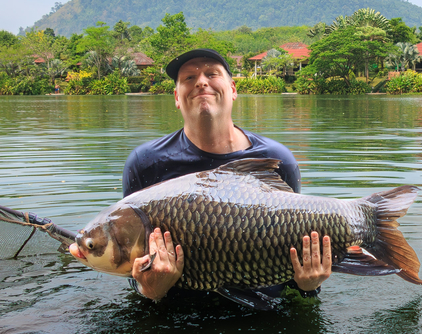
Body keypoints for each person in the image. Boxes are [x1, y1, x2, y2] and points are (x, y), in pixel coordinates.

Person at [122, 49, 332, 306]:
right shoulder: (145, 164)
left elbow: (299, 254)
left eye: (212, 74)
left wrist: (309, 286)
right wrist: (151, 290)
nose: (201, 81)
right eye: (189, 78)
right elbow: (130, 268)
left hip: (265, 313)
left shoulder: (278, 159)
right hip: (178, 313)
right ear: (177, 97)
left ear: (233, 89)